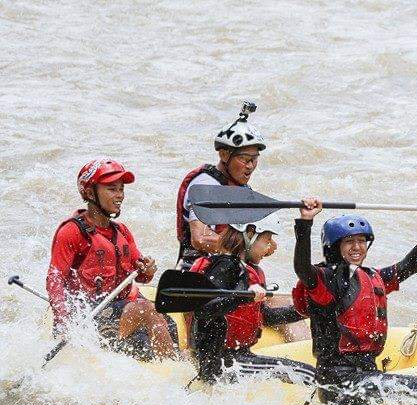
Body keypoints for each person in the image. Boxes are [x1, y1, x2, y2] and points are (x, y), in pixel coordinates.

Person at [292, 199, 417, 405]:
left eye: (361, 241)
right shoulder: (327, 280)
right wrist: (305, 222)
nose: (357, 247)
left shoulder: (373, 276)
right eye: (349, 241)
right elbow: (302, 268)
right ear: (334, 246)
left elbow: (410, 266)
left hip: (367, 373)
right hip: (339, 382)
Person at [46, 159, 177, 360]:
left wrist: (148, 269)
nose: (120, 196)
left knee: (170, 325)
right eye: (112, 189)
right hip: (91, 315)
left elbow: (142, 277)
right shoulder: (72, 232)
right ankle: (173, 370)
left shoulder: (122, 231)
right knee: (145, 309)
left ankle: (160, 361)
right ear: (90, 193)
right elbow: (55, 279)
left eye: (121, 189)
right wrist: (64, 322)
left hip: (121, 310)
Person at [189, 214, 316, 385]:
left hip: (238, 357)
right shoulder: (227, 266)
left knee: (308, 374)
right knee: (310, 375)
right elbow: (204, 310)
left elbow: (266, 316)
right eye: (267, 239)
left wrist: (310, 309)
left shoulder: (243, 269)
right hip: (221, 362)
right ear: (250, 235)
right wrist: (241, 297)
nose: (271, 247)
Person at [175, 101, 265, 271]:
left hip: (228, 271)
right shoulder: (206, 186)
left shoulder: (242, 189)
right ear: (224, 155)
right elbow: (200, 238)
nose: (250, 166)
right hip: (195, 274)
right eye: (245, 159)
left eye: (254, 159)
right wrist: (246, 249)